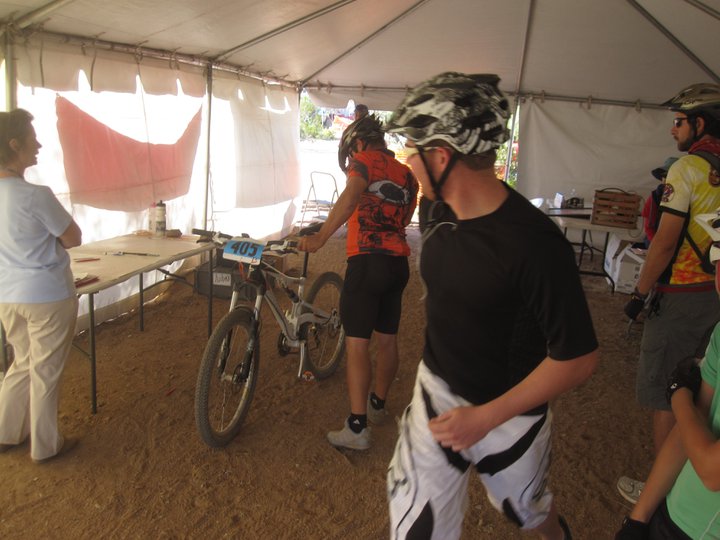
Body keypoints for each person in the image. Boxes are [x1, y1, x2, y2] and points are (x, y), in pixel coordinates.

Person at [384, 72, 599, 540]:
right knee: (416, 530)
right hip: (437, 393)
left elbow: (578, 358)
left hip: (511, 412)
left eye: (411, 150)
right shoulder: (436, 209)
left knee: (527, 512)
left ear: (441, 156)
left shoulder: (535, 244)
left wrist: (485, 417)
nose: (407, 162)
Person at [619, 83, 720, 505]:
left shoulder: (687, 168)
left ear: (700, 123)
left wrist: (638, 294)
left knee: (669, 391)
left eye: (678, 121)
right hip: (715, 292)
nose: (673, 129)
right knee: (705, 391)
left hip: (681, 295)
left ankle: (663, 496)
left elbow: (663, 243)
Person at [299, 114, 418, 450]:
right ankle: (377, 405)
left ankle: (357, 427)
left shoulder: (364, 162)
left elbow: (350, 197)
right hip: (397, 264)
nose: (351, 160)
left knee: (357, 344)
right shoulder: (408, 176)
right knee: (387, 339)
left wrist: (321, 237)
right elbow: (405, 219)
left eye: (351, 154)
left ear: (359, 144)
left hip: (366, 262)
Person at [615, 226, 720, 539]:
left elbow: (712, 471)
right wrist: (639, 518)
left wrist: (679, 396)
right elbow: (693, 424)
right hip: (676, 510)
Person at [0, 108, 82, 463]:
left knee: (22, 362)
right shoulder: (34, 195)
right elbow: (73, 237)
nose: (39, 145)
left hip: (7, 295)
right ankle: (46, 446)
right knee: (45, 371)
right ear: (14, 145)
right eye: (32, 140)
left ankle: (6, 431)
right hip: (47, 294)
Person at [641, 157, 678, 247]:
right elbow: (649, 227)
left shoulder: (687, 197)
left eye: (669, 176)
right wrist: (658, 245)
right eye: (664, 176)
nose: (665, 179)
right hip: (656, 240)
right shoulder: (655, 197)